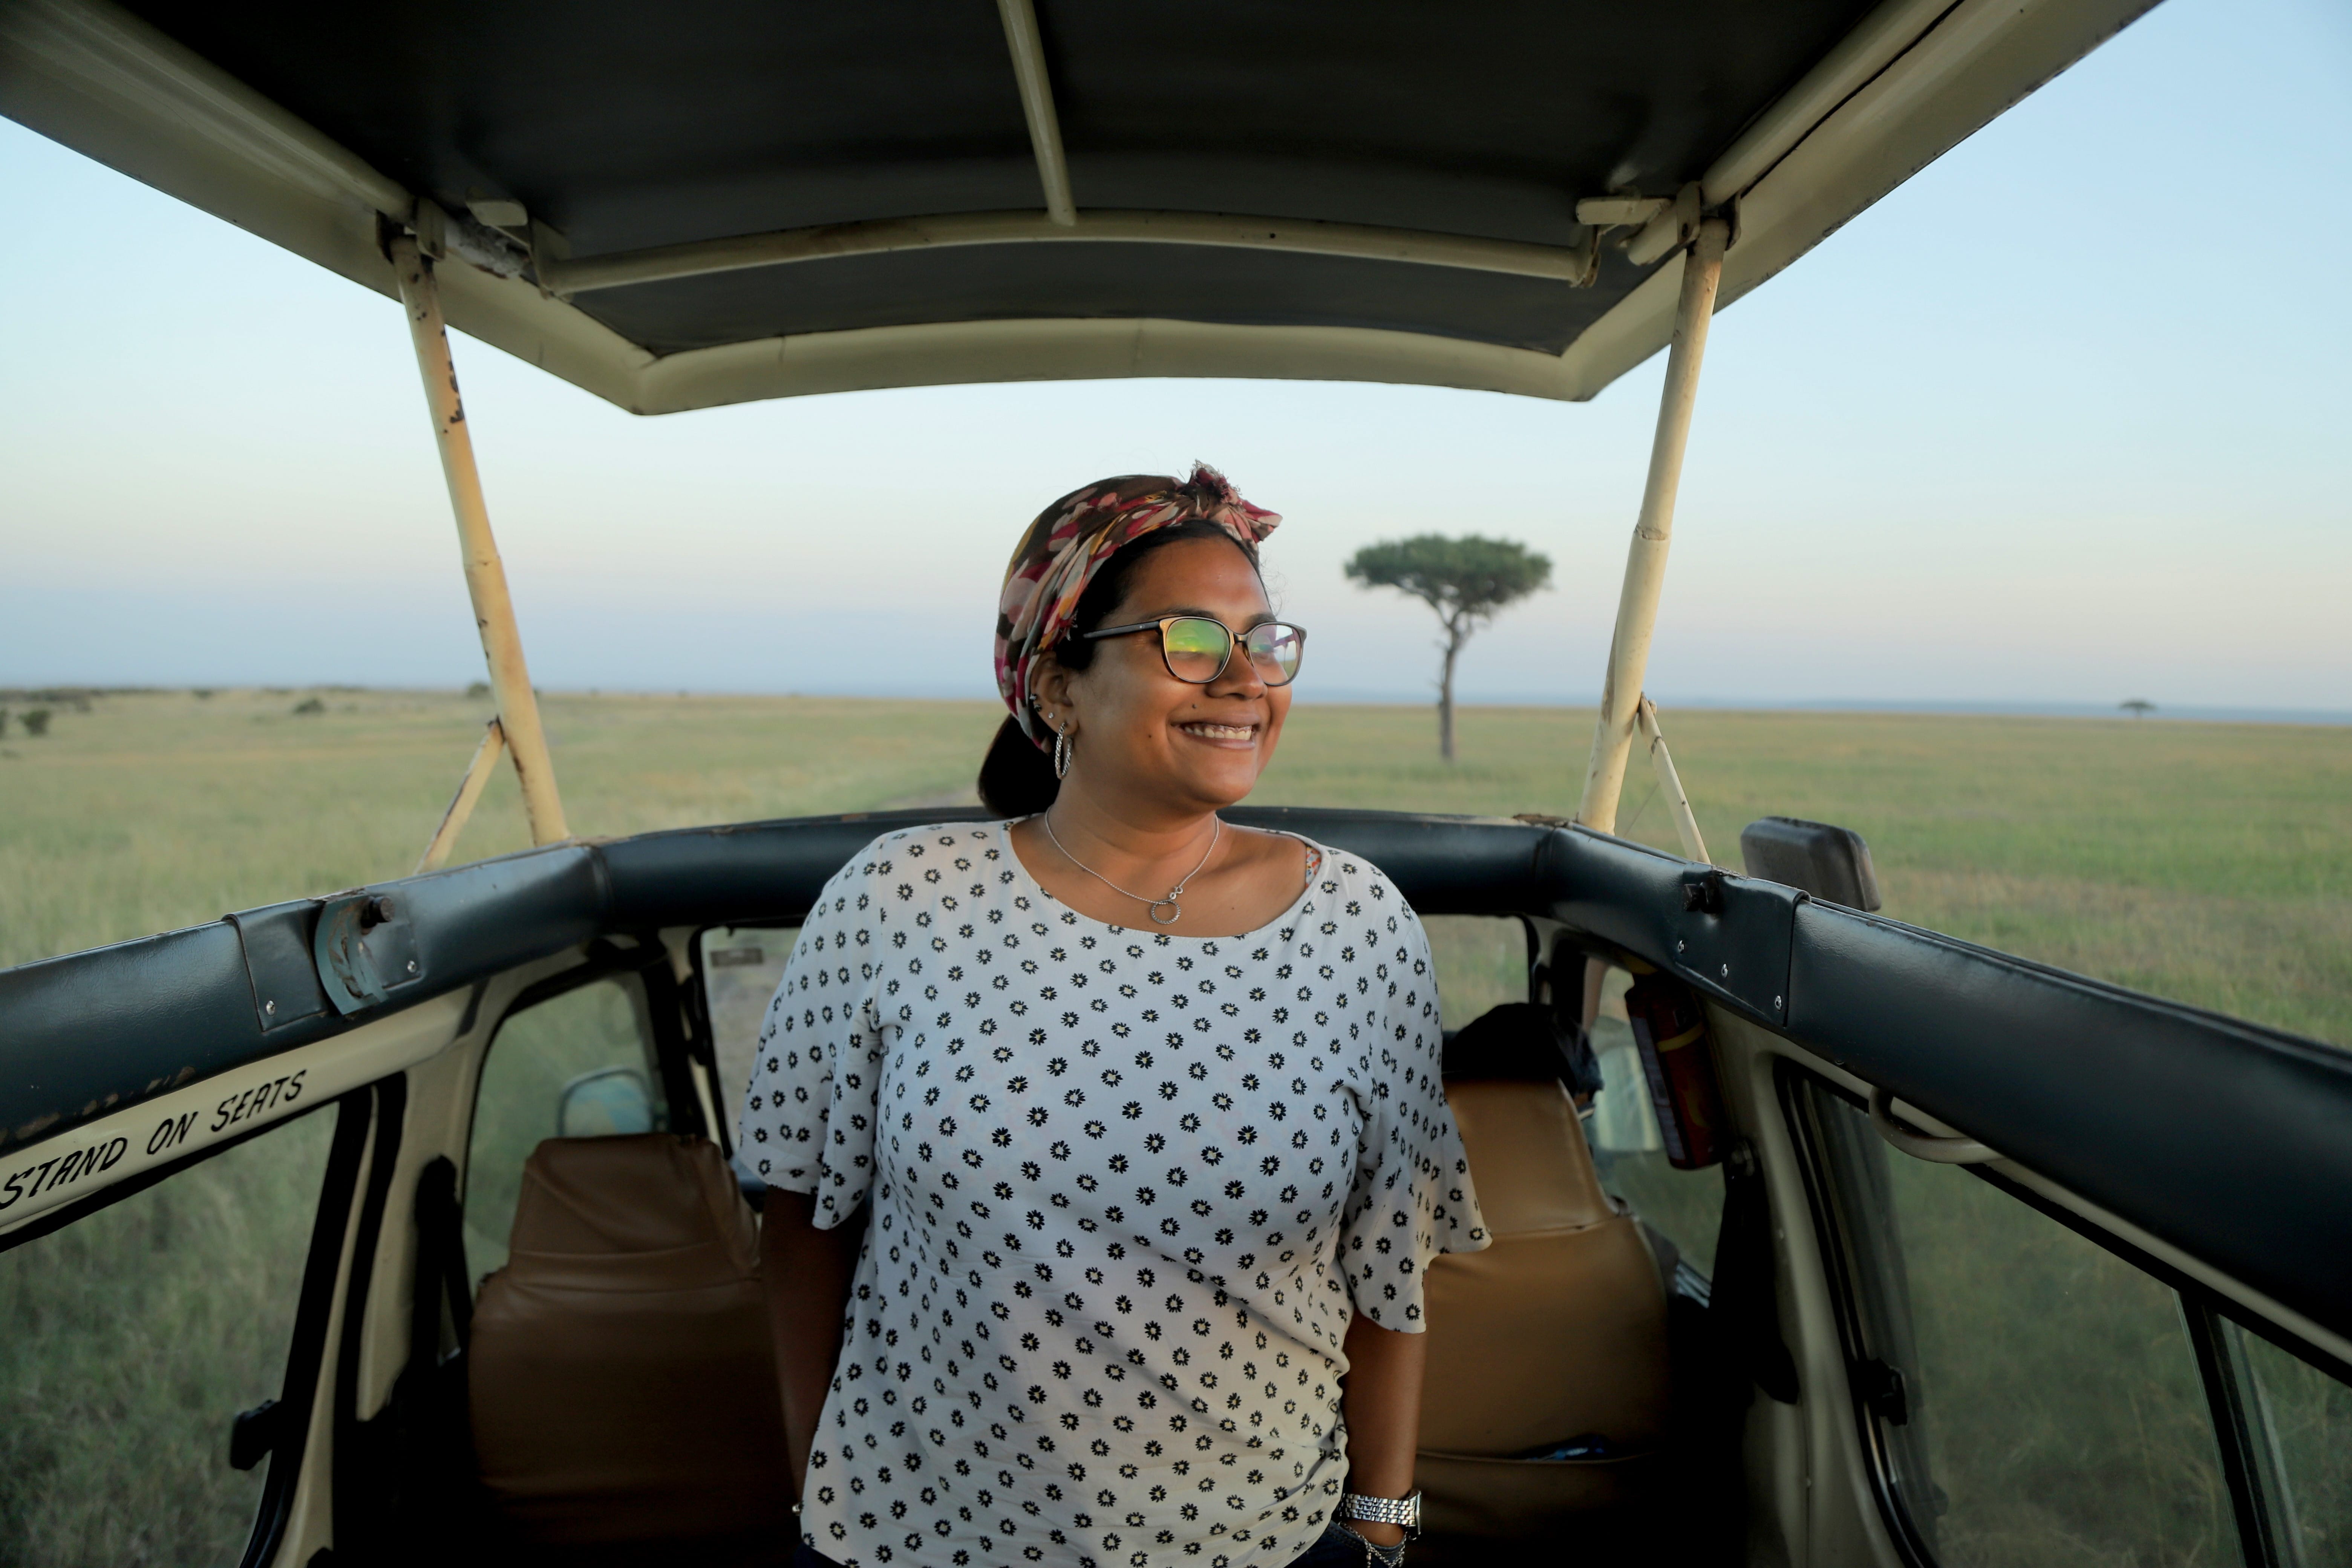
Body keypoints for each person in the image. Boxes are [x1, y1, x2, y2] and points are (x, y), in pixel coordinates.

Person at [738, 465, 1486, 1568]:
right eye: (1188, 640)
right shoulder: (901, 898)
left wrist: (1385, 1527)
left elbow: (1388, 1274)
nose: (1244, 680)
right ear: (1057, 687)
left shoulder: (1360, 926)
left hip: (1258, 1547)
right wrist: (819, 1490)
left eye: (1265, 641)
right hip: (914, 1543)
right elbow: (803, 1222)